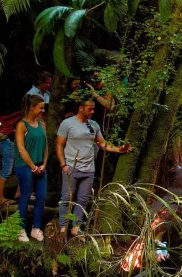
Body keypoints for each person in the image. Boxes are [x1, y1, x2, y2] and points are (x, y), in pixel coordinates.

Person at [56, 99, 131, 237]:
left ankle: (76, 227)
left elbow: (102, 143)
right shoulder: (67, 124)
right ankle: (62, 228)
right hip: (71, 167)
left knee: (83, 199)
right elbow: (59, 144)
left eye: (93, 109)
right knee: (67, 198)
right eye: (89, 109)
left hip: (89, 169)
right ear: (80, 108)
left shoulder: (94, 125)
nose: (92, 111)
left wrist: (119, 149)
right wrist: (63, 165)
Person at [14, 95, 49, 243]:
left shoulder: (42, 124)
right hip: (25, 166)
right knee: (26, 195)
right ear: (32, 107)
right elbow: (21, 149)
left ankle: (36, 228)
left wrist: (44, 164)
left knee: (41, 197)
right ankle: (20, 229)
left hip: (40, 165)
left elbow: (46, 146)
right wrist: (33, 167)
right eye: (40, 107)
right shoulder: (21, 125)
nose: (43, 110)